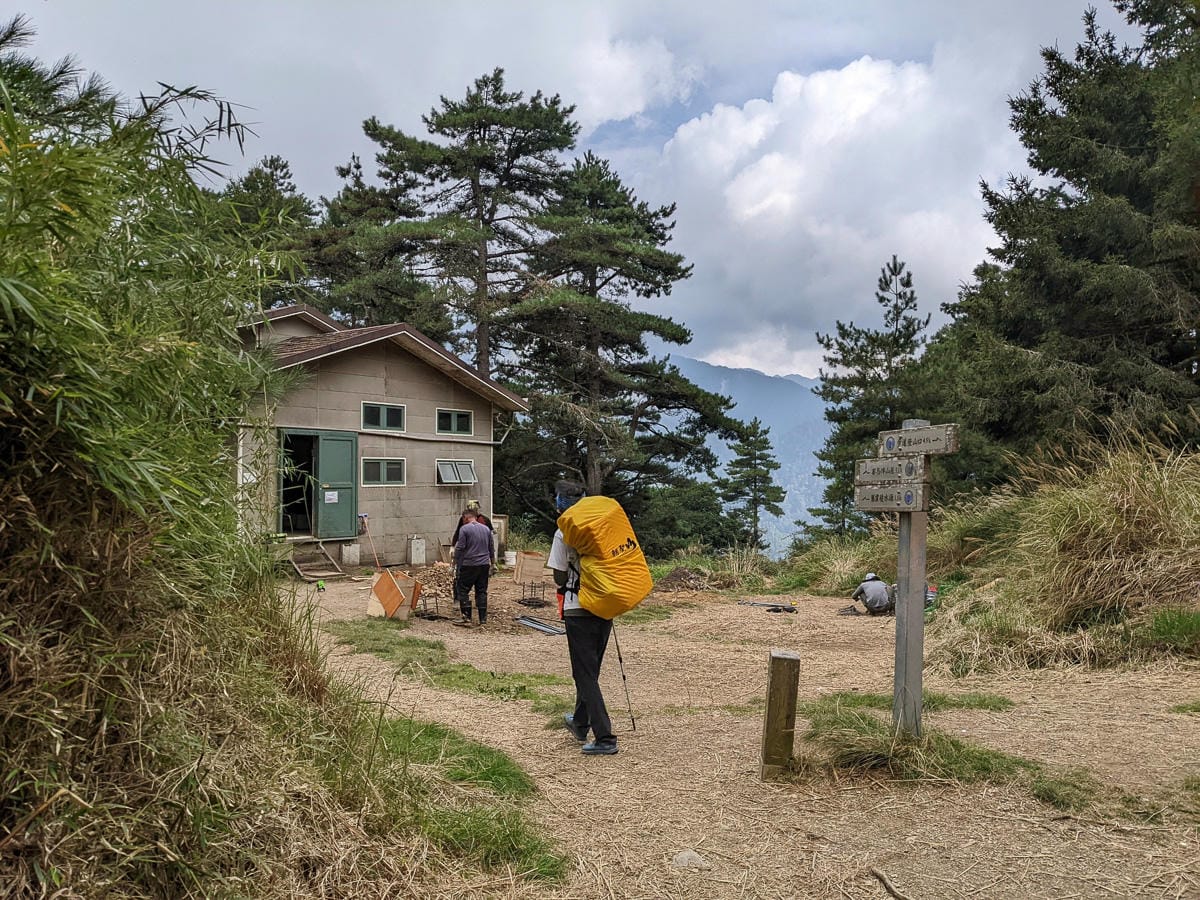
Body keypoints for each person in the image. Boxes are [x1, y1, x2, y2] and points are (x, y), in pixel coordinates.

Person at [547, 479, 618, 756]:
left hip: (578, 608)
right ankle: (579, 722)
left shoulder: (564, 531)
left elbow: (558, 576)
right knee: (591, 669)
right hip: (606, 604)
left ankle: (605, 737)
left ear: (562, 502)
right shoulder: (603, 527)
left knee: (584, 673)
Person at [453, 509, 494, 627]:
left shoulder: (464, 529)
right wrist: (493, 564)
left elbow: (460, 547)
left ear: (465, 518)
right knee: (481, 591)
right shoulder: (486, 529)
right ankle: (483, 620)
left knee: (463, 589)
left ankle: (466, 618)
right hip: (484, 565)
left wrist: (454, 563)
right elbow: (491, 547)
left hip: (469, 564)